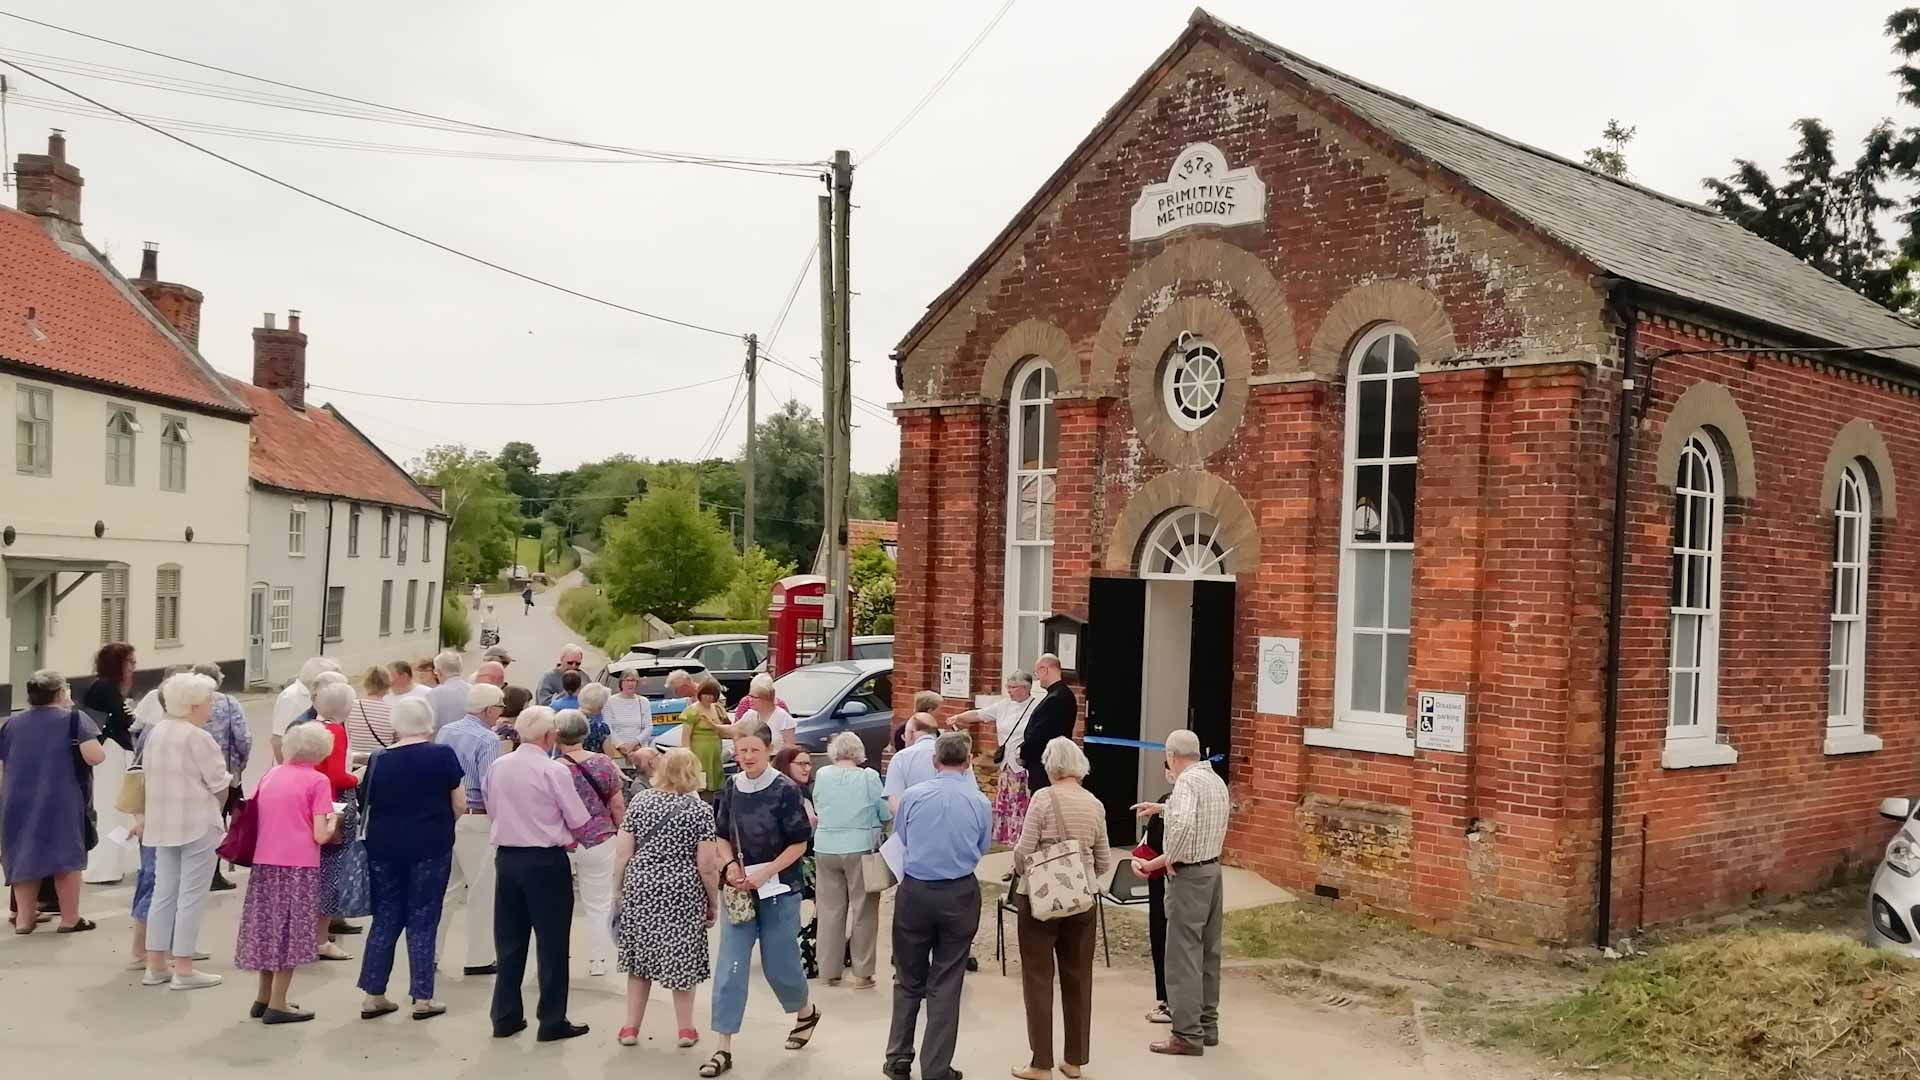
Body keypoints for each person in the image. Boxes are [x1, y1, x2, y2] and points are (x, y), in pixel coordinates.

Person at [705, 718, 820, 1077]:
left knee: (779, 965)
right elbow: (721, 834)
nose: (748, 757)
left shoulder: (786, 790)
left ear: (769, 751)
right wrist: (729, 868)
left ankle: (805, 1012)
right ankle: (722, 1047)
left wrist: (767, 872)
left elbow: (799, 843)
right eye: (742, 751)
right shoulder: (731, 787)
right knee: (730, 968)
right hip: (740, 889)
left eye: (754, 750)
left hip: (779, 888)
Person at [884, 732, 991, 1080]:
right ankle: (936, 1067)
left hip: (916, 890)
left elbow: (903, 835)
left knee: (908, 976)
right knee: (947, 981)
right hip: (958, 892)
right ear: (969, 761)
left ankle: (899, 1056)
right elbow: (982, 845)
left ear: (935, 761)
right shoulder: (979, 802)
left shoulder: (913, 797)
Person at [484, 706, 592, 1042]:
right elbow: (578, 819)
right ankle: (551, 1018)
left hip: (508, 856)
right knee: (552, 943)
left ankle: (505, 1015)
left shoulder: (498, 766)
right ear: (550, 736)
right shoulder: (553, 770)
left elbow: (491, 807)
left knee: (510, 940)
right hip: (545, 859)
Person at [1011, 737, 1114, 1079]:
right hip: (1082, 898)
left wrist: (1030, 869)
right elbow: (1103, 860)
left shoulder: (1042, 798)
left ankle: (1041, 1062)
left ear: (1050, 765)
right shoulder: (1095, 804)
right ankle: (1074, 1060)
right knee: (1078, 977)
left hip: (1040, 899)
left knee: (1038, 977)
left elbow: (1024, 851)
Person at [356, 697, 463, 1021]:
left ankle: (374, 994)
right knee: (423, 917)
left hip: (384, 846)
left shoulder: (378, 760)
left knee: (386, 916)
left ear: (395, 724)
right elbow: (458, 802)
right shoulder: (442, 755)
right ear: (428, 722)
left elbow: (366, 802)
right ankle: (422, 996)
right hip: (431, 845)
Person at [235, 721, 342, 1024]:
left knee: (268, 929)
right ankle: (279, 1003)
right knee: (290, 933)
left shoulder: (271, 774)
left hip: (265, 862)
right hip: (299, 866)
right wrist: (333, 821)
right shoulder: (317, 781)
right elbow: (321, 835)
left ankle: (263, 996)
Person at [1132, 729, 1231, 1056]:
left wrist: (1161, 860)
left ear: (1173, 757)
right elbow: (1196, 814)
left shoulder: (1186, 783)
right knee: (1208, 951)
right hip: (1213, 871)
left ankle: (1186, 1034)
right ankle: (1207, 1024)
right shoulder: (1213, 780)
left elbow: (1186, 822)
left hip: (1189, 876)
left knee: (1182, 954)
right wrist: (1160, 809)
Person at [612, 746, 718, 1049]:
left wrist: (618, 890)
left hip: (641, 887)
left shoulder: (641, 802)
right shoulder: (700, 811)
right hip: (682, 892)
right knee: (681, 960)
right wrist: (713, 901)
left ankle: (630, 1028)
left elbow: (622, 854)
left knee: (639, 962)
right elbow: (707, 866)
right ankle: (686, 1030)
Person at [138, 671, 232, 990]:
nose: (211, 707)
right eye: (208, 701)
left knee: (163, 893)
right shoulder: (198, 736)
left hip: (162, 821)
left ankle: (155, 964)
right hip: (196, 821)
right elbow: (220, 783)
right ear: (192, 705)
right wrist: (218, 808)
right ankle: (186, 969)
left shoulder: (158, 731)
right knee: (191, 895)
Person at [1, 670, 106, 932]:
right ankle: (70, 918)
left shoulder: (12, 723)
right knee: (66, 857)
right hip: (61, 797)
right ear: (60, 692)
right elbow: (95, 756)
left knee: (23, 854)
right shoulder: (73, 719)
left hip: (16, 798)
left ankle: (25, 919)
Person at [434, 682, 504, 975]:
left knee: (447, 889)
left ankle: (432, 952)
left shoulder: (446, 731)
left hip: (448, 814)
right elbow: (490, 784)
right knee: (482, 890)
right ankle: (478, 957)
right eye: (499, 707)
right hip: (477, 815)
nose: (500, 713)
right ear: (488, 710)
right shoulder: (488, 739)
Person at [813, 731, 888, 989]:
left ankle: (829, 969)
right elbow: (884, 810)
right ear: (859, 753)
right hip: (860, 847)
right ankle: (863, 972)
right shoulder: (869, 777)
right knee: (864, 910)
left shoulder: (822, 774)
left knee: (830, 910)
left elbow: (818, 803)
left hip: (825, 846)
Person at [554, 708, 624, 977]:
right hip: (600, 838)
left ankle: (558, 957)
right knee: (599, 902)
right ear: (584, 733)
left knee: (559, 904)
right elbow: (617, 804)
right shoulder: (604, 763)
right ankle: (599, 960)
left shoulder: (554, 768)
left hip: (562, 840)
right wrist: (623, 834)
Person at [309, 682, 368, 960]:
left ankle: (309, 936)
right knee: (331, 875)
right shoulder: (336, 731)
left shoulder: (313, 728)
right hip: (335, 805)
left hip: (312, 806)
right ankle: (321, 939)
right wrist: (357, 776)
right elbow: (336, 774)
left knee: (314, 872)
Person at [951, 671, 1038, 847]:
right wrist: (958, 717)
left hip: (1025, 765)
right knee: (1007, 803)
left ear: (1025, 688)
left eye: (1013, 687)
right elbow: (979, 714)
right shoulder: (1003, 706)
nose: (1009, 691)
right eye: (1008, 687)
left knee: (1021, 803)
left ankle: (1021, 839)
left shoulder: (1037, 706)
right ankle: (1007, 839)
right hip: (1006, 764)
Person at [80, 644, 138, 886]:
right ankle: (104, 866)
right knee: (109, 809)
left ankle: (114, 862)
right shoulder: (105, 688)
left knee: (116, 811)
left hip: (112, 751)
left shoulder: (107, 687)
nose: (134, 668)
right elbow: (120, 722)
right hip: (108, 753)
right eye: (130, 662)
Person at [772, 745, 820, 978]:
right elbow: (810, 821)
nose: (806, 768)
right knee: (826, 897)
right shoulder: (793, 792)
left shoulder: (792, 789)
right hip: (797, 860)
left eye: (808, 764)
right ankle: (806, 949)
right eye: (800, 763)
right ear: (786, 764)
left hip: (795, 859)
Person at [1020, 655, 1077, 795]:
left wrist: (1024, 752)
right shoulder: (1064, 694)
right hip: (1053, 762)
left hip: (1045, 766)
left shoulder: (1055, 699)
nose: (1037, 678)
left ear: (1045, 669)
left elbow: (1041, 734)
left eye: (1037, 673)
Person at [679, 675, 738, 803]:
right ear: (700, 693)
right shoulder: (692, 711)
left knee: (713, 788)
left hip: (715, 755)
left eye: (711, 695)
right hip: (698, 755)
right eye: (705, 694)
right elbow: (685, 738)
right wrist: (689, 757)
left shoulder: (717, 709)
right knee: (699, 787)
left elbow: (725, 730)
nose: (708, 697)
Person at [272, 657, 339, 763]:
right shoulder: (291, 697)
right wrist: (286, 769)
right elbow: (278, 739)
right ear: (316, 681)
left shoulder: (315, 696)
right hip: (293, 769)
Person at [883, 713, 944, 815]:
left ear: (911, 733)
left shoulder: (901, 758)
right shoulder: (952, 754)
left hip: (913, 822)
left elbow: (894, 805)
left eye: (905, 735)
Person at [81, 643, 137, 751]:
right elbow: (119, 718)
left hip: (114, 747)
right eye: (130, 661)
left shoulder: (116, 686)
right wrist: (132, 717)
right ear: (116, 664)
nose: (133, 666)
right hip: (108, 748)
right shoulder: (104, 687)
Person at [604, 671, 653, 764]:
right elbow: (607, 727)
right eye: (627, 680)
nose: (630, 683)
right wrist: (621, 746)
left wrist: (634, 743)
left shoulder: (644, 702)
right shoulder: (609, 701)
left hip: (639, 749)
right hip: (616, 750)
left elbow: (649, 727)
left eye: (633, 680)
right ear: (621, 683)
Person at [349, 666, 398, 757]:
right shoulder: (394, 711)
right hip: (379, 763)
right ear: (387, 684)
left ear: (366, 683)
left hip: (354, 763)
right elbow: (396, 743)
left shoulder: (351, 707)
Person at [743, 675, 798, 755]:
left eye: (753, 697)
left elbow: (790, 749)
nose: (749, 700)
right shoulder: (749, 715)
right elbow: (734, 731)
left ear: (765, 699)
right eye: (749, 696)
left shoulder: (783, 718)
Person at [426, 651, 472, 732]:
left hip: (442, 741)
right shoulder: (473, 690)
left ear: (439, 672)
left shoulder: (434, 694)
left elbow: (430, 725)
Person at [578, 682, 614, 755]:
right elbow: (609, 754)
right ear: (600, 704)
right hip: (593, 764)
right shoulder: (601, 727)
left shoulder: (567, 719)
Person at [496, 686, 532, 751]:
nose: (529, 707)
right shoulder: (508, 729)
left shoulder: (495, 722)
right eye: (527, 703)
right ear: (520, 704)